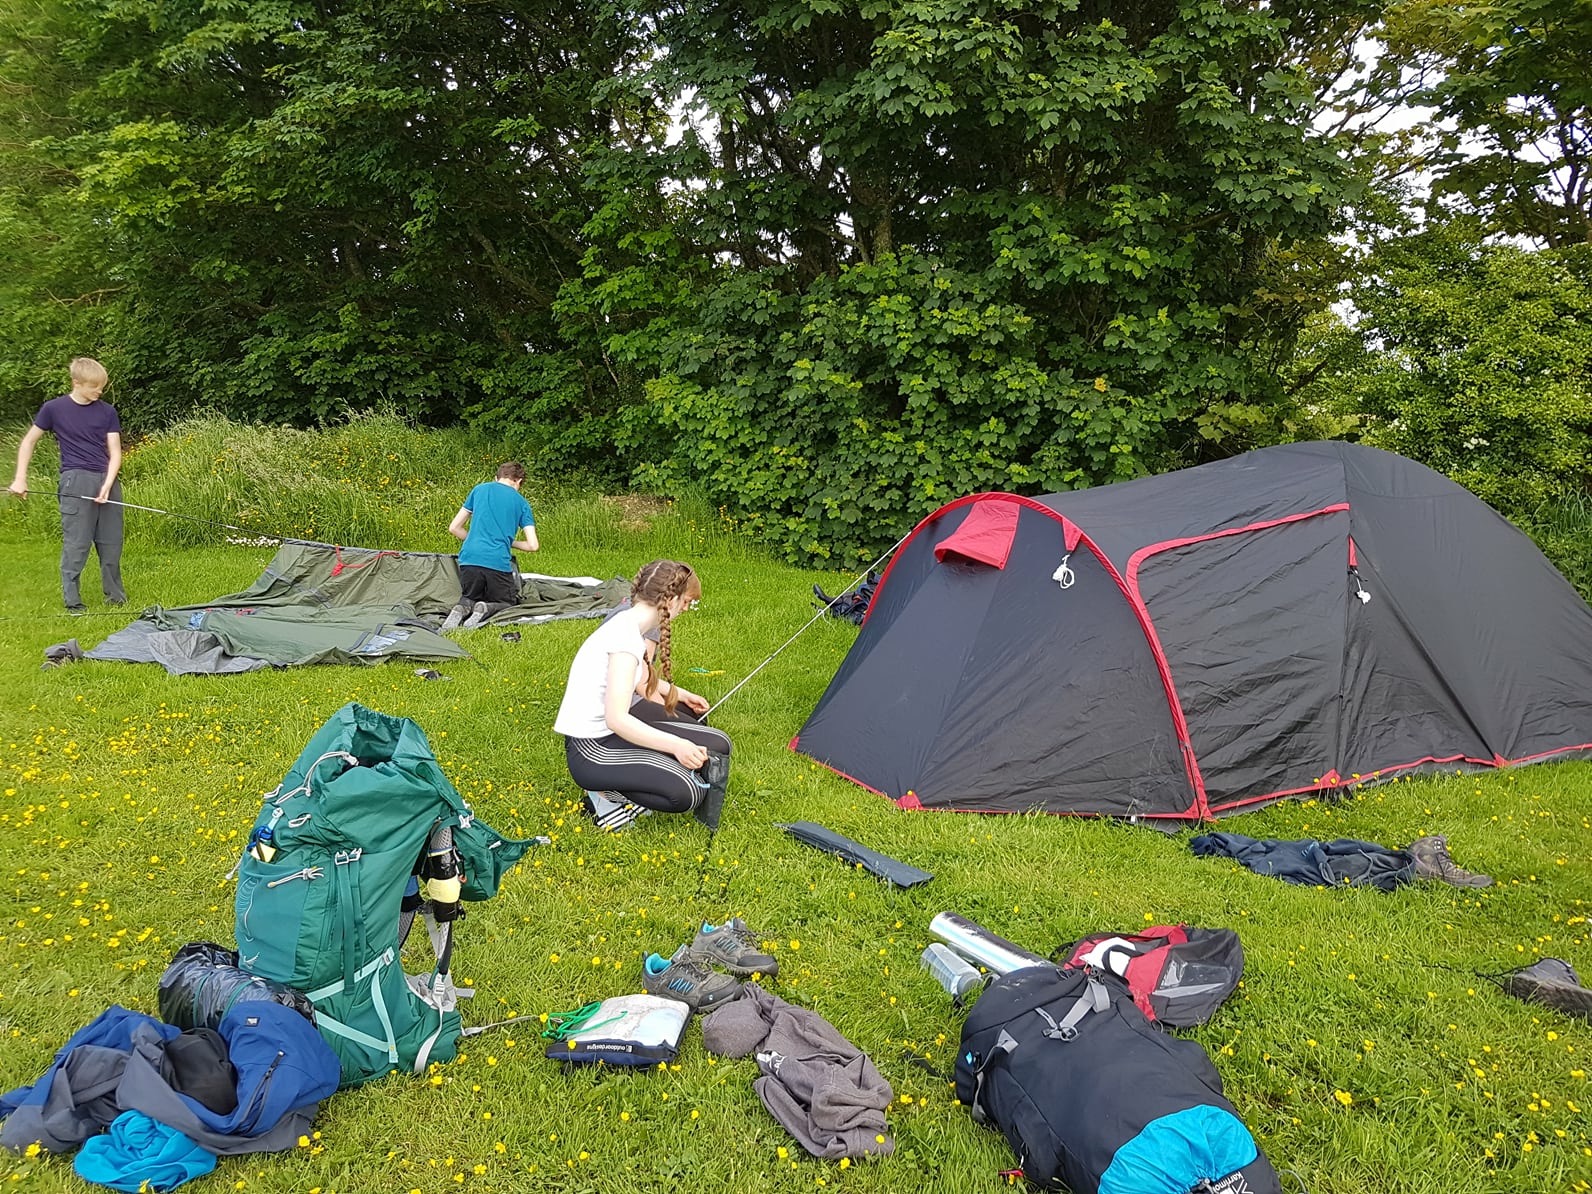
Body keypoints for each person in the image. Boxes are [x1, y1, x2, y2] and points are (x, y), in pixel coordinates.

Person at [553, 560, 726, 830]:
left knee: (718, 746)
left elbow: (641, 686)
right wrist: (676, 745)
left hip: (611, 734)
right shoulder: (624, 639)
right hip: (591, 748)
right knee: (688, 792)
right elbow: (617, 720)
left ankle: (637, 779)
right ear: (670, 600)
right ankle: (604, 797)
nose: (684, 609)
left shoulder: (630, 625)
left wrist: (679, 702)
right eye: (685, 603)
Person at [8, 357, 126, 613]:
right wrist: (20, 478)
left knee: (111, 541)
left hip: (107, 478)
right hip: (75, 480)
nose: (99, 391)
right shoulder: (54, 409)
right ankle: (73, 602)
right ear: (76, 383)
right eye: (94, 386)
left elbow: (115, 452)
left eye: (102, 386)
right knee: (77, 543)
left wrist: (108, 484)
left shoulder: (107, 412)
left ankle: (116, 599)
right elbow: (29, 442)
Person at [440, 461, 538, 630]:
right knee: (507, 602)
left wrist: (476, 538)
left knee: (470, 596)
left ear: (496, 478)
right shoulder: (522, 503)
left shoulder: (479, 490)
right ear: (519, 481)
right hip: (497, 562)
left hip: (469, 561)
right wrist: (508, 541)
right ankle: (486, 608)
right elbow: (533, 545)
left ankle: (462, 607)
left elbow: (454, 528)